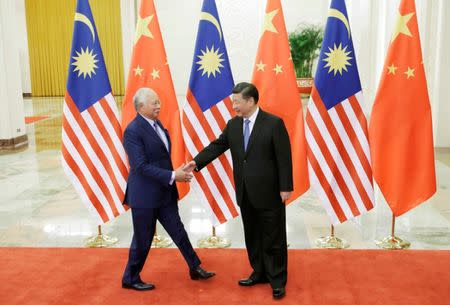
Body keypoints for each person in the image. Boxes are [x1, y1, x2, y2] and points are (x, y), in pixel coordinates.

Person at [189, 82, 292, 300]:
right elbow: (216, 146)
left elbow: (284, 158)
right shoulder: (233, 125)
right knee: (252, 235)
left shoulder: (273, 123)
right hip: (245, 192)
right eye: (232, 101)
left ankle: (277, 279)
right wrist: (195, 163)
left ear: (251, 101)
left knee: (273, 237)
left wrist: (285, 187)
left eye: (237, 102)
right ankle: (259, 272)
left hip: (270, 192)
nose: (233, 106)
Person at [122, 87, 215, 291]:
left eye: (158, 102)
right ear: (140, 107)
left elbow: (160, 159)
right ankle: (130, 277)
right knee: (143, 238)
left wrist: (176, 171)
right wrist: (174, 176)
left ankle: (194, 266)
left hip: (164, 192)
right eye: (154, 103)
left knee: (178, 231)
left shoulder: (157, 124)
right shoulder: (133, 130)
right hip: (145, 196)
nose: (159, 105)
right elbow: (140, 166)